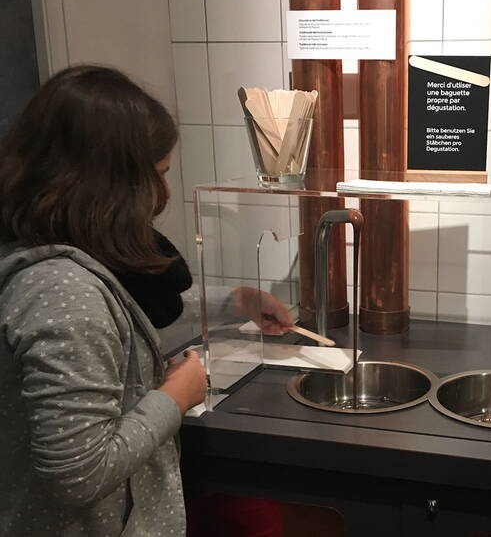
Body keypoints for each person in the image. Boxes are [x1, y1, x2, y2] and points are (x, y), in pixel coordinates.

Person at [0, 65, 292, 536]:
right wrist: (175, 396)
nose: (164, 194)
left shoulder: (49, 254)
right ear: (107, 184)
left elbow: (133, 312)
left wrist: (235, 300)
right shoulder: (62, 290)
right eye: (158, 174)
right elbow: (79, 473)